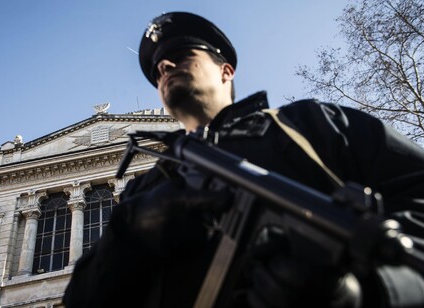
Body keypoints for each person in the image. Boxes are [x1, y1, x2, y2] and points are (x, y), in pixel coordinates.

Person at [63, 12, 424, 308]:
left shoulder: (310, 124)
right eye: (158, 70)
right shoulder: (145, 188)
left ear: (226, 71)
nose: (166, 67)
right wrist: (129, 232)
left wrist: (371, 290)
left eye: (183, 54)